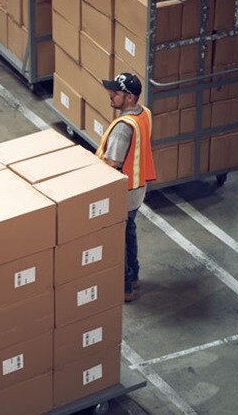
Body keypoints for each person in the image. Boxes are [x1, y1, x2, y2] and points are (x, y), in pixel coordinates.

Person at [95, 73, 156, 303]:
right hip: (138, 187)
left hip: (124, 191)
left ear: (129, 98)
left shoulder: (123, 127)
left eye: (116, 93)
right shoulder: (144, 112)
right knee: (129, 231)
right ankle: (134, 277)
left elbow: (113, 162)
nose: (111, 95)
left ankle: (125, 287)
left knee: (117, 238)